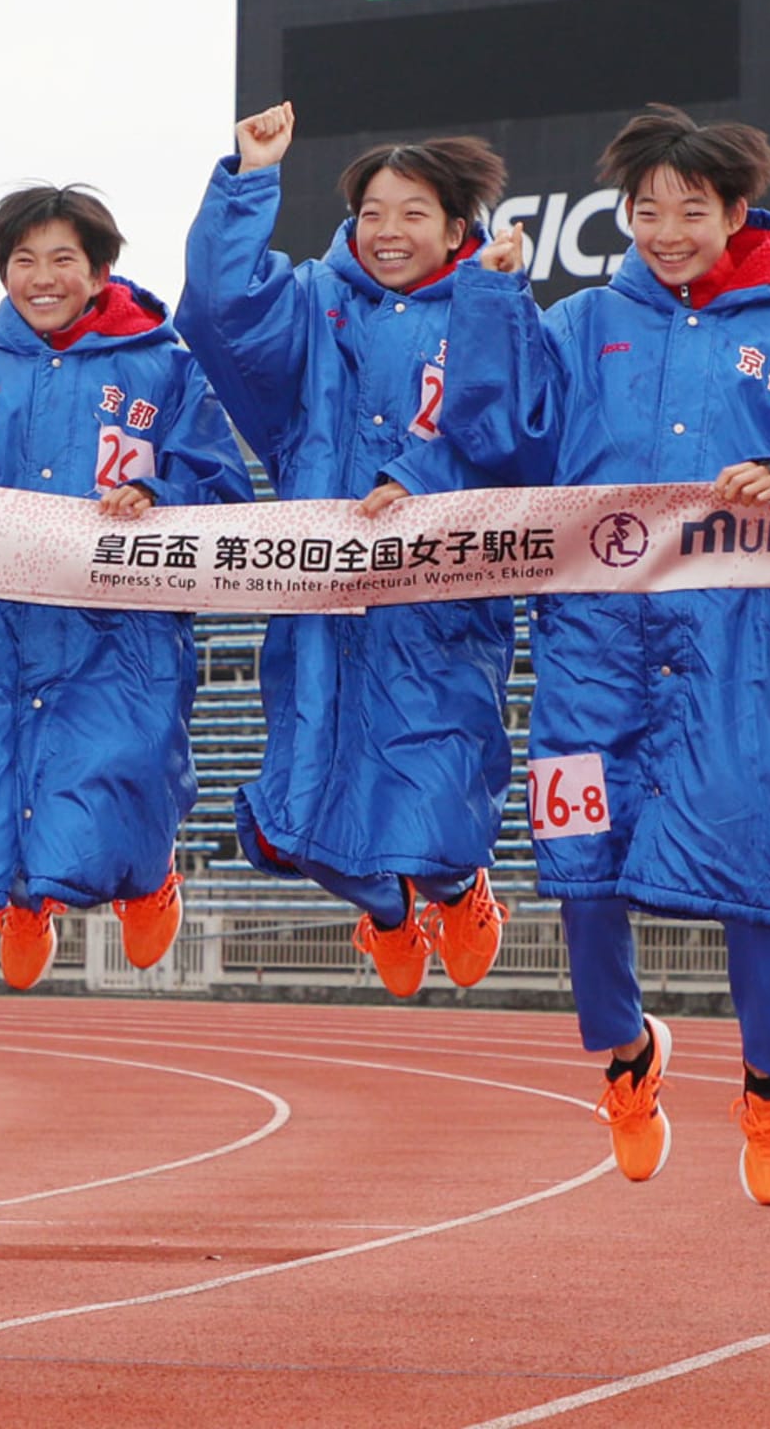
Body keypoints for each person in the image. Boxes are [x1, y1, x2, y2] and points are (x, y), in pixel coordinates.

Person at [426, 105, 770, 1204]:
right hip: (587, 640)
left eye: (691, 208)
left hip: (733, 650)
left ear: (736, 212)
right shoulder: (585, 323)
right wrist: (492, 300)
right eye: (646, 209)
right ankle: (624, 1054)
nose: (667, 228)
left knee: (744, 877)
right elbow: (503, 439)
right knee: (576, 864)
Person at [0, 183, 252, 988]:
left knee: (115, 768)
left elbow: (220, 488)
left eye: (63, 259)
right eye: (23, 260)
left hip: (113, 631)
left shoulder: (165, 368)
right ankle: (19, 901)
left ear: (102, 268)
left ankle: (149, 876)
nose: (42, 277)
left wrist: (158, 496)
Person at [176, 103, 521, 998]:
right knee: (300, 811)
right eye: (372, 211)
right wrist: (250, 180)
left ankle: (456, 891)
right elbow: (219, 313)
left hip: (438, 618)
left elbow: (509, 428)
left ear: (455, 226)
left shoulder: (488, 303)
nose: (389, 231)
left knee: (438, 804)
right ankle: (389, 914)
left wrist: (496, 300)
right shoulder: (314, 303)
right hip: (319, 608)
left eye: (413, 212)